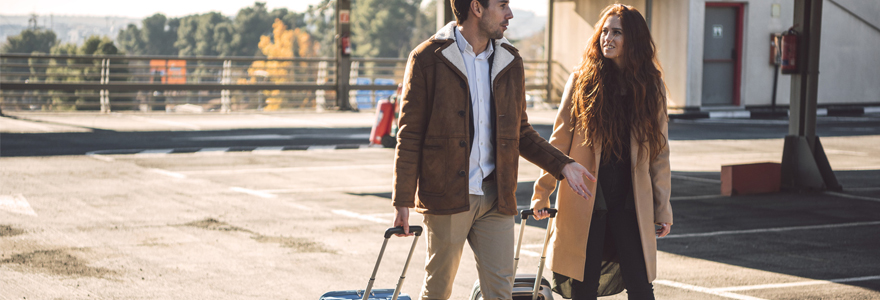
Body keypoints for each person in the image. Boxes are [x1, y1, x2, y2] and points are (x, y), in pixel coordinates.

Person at [390, 0, 596, 299]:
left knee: (500, 291)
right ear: (476, 7)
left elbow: (520, 132)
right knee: (437, 289)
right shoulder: (427, 58)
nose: (509, 14)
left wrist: (563, 164)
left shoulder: (510, 59)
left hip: (496, 196)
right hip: (446, 194)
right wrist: (402, 200)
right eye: (502, 5)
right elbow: (410, 136)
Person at [530, 4, 672, 300]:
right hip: (586, 198)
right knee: (584, 286)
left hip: (632, 202)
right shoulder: (582, 81)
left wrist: (662, 208)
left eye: (617, 32)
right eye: (604, 31)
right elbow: (558, 144)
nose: (607, 38)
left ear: (633, 40)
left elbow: (659, 153)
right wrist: (542, 192)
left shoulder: (651, 87)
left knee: (641, 286)